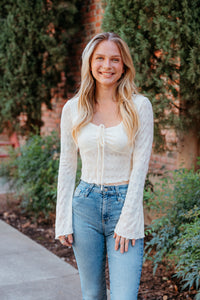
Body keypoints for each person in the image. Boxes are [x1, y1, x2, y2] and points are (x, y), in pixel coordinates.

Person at [55, 32, 153, 300]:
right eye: (100, 58)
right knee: (92, 294)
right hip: (84, 206)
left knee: (124, 296)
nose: (107, 66)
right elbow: (67, 165)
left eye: (114, 60)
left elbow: (140, 167)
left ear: (124, 66)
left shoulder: (139, 106)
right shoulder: (73, 108)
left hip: (124, 203)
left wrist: (130, 218)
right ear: (90, 62)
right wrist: (62, 219)